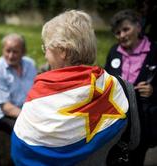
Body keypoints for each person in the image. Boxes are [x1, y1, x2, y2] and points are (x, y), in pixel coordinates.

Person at [11, 10, 140, 166]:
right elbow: (133, 141)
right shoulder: (121, 87)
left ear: (63, 51)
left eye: (46, 48)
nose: (45, 55)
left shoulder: (41, 95)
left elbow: (21, 149)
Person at [104, 9, 157, 165]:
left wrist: (154, 91)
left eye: (126, 29)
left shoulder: (154, 51)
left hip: (144, 119)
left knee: (136, 158)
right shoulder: (114, 51)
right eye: (117, 32)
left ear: (138, 27)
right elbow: (107, 78)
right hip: (117, 118)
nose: (122, 35)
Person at [0, 33, 37, 134]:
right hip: (3, 115)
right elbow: (6, 107)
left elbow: (36, 90)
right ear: (3, 50)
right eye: (8, 51)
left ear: (23, 52)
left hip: (25, 110)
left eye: (15, 52)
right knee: (29, 132)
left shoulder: (30, 64)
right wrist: (31, 117)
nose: (10, 56)